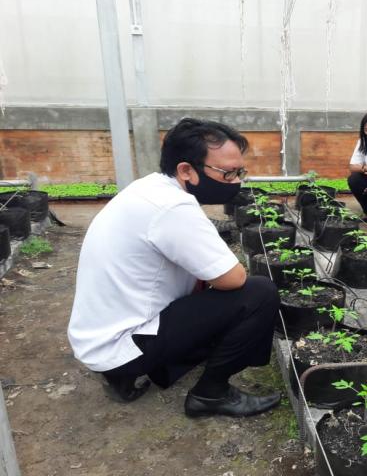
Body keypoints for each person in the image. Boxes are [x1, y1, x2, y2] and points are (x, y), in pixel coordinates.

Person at [68, 118, 281, 417]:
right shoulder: (173, 208)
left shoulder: (150, 187)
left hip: (99, 336)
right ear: (186, 170)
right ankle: (211, 394)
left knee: (212, 295)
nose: (236, 182)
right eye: (228, 173)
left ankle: (130, 374)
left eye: (240, 172)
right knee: (259, 293)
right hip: (121, 345)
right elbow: (233, 278)